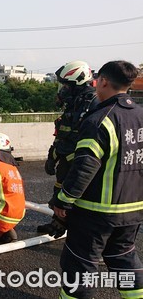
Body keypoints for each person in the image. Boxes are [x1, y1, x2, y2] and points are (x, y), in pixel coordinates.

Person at [51, 60, 143, 298]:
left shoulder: (100, 119)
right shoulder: (140, 116)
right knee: (124, 259)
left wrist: (63, 201)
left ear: (102, 81)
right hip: (133, 210)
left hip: (96, 211)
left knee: (80, 264)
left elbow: (85, 168)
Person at [38, 61, 98, 234]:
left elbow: (84, 136)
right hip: (66, 156)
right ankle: (58, 223)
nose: (63, 89)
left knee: (76, 194)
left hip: (80, 159)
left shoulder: (92, 103)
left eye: (66, 85)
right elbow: (63, 131)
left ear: (76, 83)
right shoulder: (75, 103)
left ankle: (82, 232)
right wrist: (52, 155)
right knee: (60, 189)